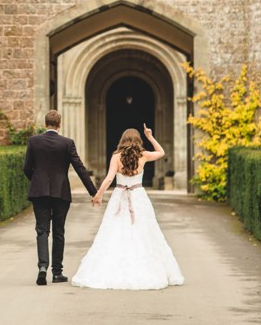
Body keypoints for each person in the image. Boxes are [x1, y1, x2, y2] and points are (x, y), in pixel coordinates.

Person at [72, 124, 184, 290]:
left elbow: (109, 179)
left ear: (122, 140)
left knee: (115, 229)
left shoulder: (116, 156)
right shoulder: (143, 155)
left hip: (119, 197)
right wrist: (150, 136)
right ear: (138, 140)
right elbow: (161, 152)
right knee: (144, 230)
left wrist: (98, 195)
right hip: (139, 197)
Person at [23, 109, 98, 286]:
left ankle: (42, 267)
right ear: (60, 125)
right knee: (59, 231)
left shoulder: (34, 141)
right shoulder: (67, 143)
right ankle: (57, 273)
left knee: (42, 230)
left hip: (39, 192)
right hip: (61, 192)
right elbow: (79, 167)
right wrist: (93, 192)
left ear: (45, 124)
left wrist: (37, 181)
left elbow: (26, 168)